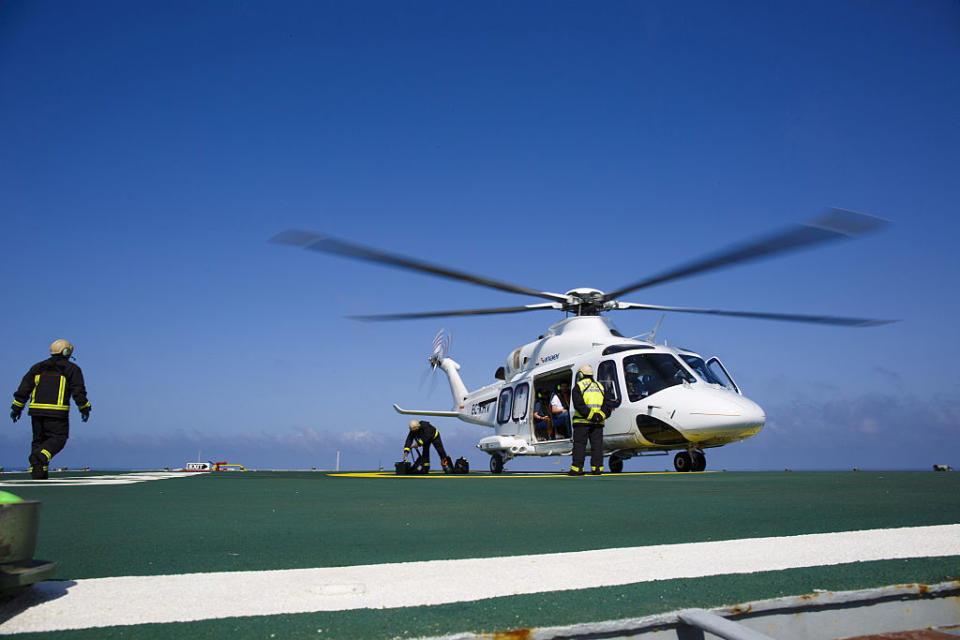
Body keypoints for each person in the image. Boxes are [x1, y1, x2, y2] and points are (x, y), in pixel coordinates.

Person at [10, 339, 91, 480]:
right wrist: (84, 408)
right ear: (67, 352)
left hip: (36, 411)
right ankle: (41, 457)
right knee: (59, 439)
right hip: (57, 412)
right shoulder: (71, 369)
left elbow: (24, 388)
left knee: (38, 441)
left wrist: (16, 408)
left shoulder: (37, 368)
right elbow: (78, 391)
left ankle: (38, 472)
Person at [569, 364, 615, 476]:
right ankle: (597, 468)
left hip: (582, 422)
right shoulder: (601, 386)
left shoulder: (578, 387)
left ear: (580, 374)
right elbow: (608, 404)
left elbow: (579, 405)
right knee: (597, 446)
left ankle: (577, 469)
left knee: (580, 445)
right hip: (598, 423)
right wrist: (599, 416)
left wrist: (591, 415)